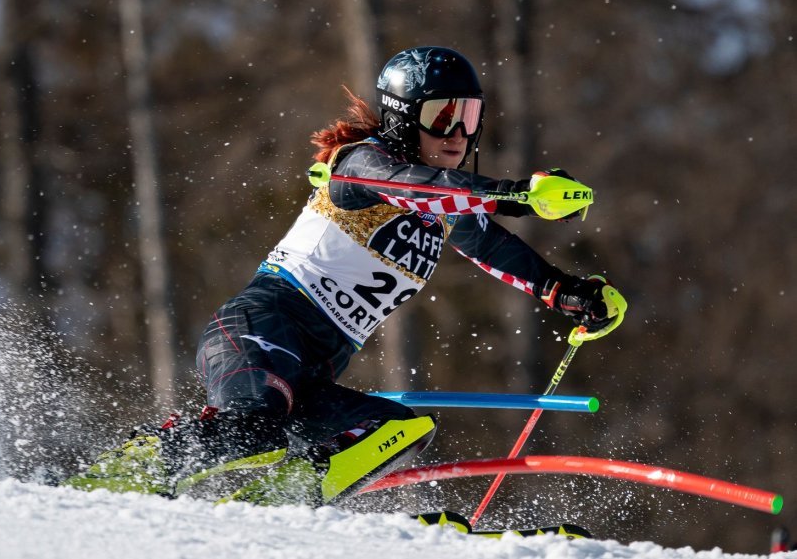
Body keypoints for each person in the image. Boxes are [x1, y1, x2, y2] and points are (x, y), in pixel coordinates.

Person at [63, 46, 625, 506]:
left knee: (396, 430)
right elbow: (418, 187)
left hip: (315, 371)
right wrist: (520, 193)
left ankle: (272, 509)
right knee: (257, 423)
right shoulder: (361, 163)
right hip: (263, 328)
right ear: (404, 118)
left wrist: (566, 291)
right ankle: (122, 475)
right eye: (442, 117)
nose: (458, 133)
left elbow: (489, 243)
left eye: (470, 116)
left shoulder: (444, 203)